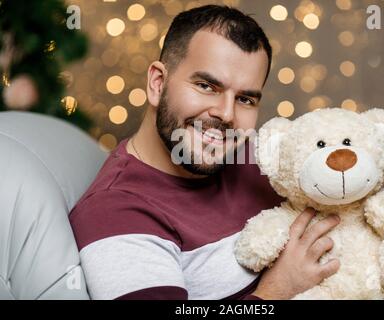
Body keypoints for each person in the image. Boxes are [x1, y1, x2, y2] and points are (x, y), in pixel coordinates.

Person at [69, 4, 342, 300]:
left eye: (245, 99)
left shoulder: (258, 160)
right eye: (206, 86)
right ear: (157, 83)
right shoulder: (116, 212)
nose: (226, 114)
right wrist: (278, 290)